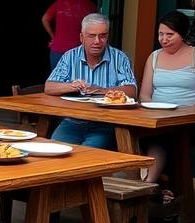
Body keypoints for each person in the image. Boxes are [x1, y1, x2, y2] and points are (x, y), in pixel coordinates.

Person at [138, 11, 195, 203]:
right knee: (138, 137)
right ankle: (158, 190)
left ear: (183, 34)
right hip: (156, 119)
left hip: (188, 121)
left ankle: (148, 187)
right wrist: (151, 110)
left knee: (165, 139)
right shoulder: (154, 57)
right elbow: (144, 94)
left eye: (169, 34)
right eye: (160, 34)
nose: (163, 39)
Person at [44, 13, 137, 149]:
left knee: (89, 155)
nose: (97, 41)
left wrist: (103, 91)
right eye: (91, 36)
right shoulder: (70, 57)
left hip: (106, 124)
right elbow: (49, 87)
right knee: (53, 149)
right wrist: (72, 86)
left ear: (107, 37)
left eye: (102, 36)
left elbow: (132, 91)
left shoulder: (119, 58)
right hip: (72, 122)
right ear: (82, 37)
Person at [42, 0, 98, 72]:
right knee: (78, 84)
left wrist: (54, 37)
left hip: (58, 50)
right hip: (79, 52)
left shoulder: (61, 1)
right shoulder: (92, 7)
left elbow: (45, 19)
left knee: (57, 82)